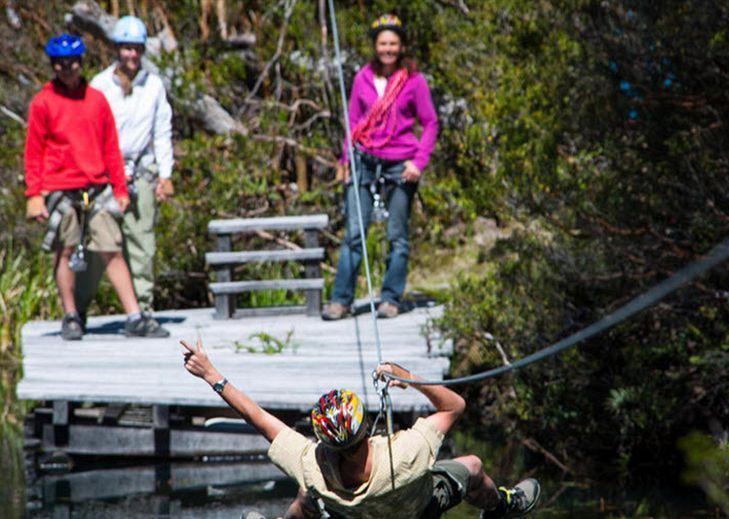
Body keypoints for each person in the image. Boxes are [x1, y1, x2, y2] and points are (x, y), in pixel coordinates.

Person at [180, 338, 541, 518]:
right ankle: (504, 506)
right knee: (474, 466)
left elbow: (258, 417)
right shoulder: (404, 453)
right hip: (418, 510)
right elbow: (455, 406)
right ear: (365, 428)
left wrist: (211, 375)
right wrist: (407, 378)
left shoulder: (312, 465)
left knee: (307, 500)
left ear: (324, 440)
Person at [24, 33, 149, 340]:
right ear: (54, 66)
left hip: (96, 186)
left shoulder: (96, 99)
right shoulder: (43, 102)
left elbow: (111, 148)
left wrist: (119, 189)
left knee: (112, 249)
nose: (68, 69)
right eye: (62, 64)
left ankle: (135, 316)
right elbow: (33, 151)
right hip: (60, 188)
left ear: (81, 63)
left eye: (74, 63)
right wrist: (34, 195)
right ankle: (71, 316)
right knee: (65, 250)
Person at [323, 14, 439, 321]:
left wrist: (419, 162)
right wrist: (345, 161)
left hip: (401, 162)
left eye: (393, 43)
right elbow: (354, 122)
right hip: (364, 159)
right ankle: (341, 300)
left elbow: (430, 123)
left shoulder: (414, 81)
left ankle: (390, 298)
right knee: (353, 233)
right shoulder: (362, 78)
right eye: (383, 43)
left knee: (396, 234)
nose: (388, 49)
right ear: (375, 46)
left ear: (401, 47)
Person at [73, 16, 173, 338]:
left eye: (136, 49)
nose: (131, 55)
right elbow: (86, 134)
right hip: (102, 178)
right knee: (95, 247)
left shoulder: (154, 85)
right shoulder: (99, 86)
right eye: (126, 48)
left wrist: (165, 174)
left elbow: (162, 131)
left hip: (140, 171)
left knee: (143, 244)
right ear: (116, 49)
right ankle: (77, 312)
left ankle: (142, 311)